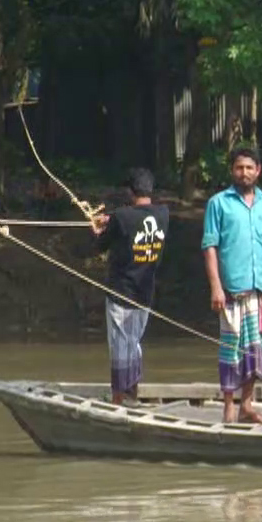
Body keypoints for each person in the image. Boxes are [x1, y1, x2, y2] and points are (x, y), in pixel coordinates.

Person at [202, 146, 262, 425]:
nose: (244, 173)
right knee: (231, 348)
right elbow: (210, 246)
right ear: (232, 170)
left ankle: (246, 405)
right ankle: (229, 405)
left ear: (258, 170)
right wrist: (215, 286)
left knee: (257, 349)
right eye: (239, 167)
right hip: (232, 289)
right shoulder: (218, 203)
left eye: (249, 167)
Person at [91, 168, 169, 404]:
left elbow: (101, 244)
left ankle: (118, 398)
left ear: (130, 191)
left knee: (119, 345)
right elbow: (133, 219)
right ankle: (132, 392)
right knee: (133, 343)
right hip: (145, 291)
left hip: (121, 291)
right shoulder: (163, 213)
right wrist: (111, 220)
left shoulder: (122, 216)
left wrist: (96, 229)